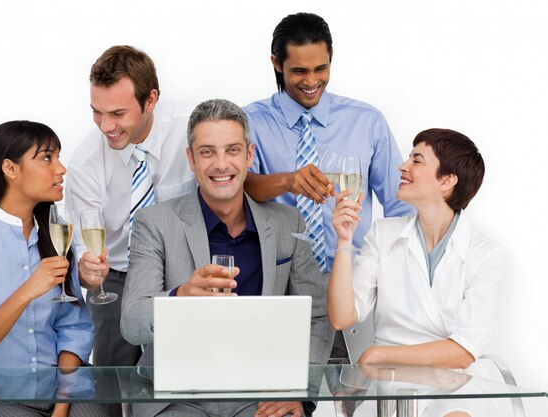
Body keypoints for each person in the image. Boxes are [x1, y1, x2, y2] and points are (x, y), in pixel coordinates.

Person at [120, 99, 334, 417]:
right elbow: (132, 322)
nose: (221, 164)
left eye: (232, 150)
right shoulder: (155, 223)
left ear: (249, 155)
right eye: (207, 152)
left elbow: (318, 315)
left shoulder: (288, 223)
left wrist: (296, 391)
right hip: (177, 397)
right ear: (191, 159)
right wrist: (180, 297)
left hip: (261, 395)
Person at [243, 12, 414, 360]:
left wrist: (394, 276)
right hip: (280, 283)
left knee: (356, 392)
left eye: (320, 69)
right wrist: (288, 181)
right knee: (285, 394)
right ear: (277, 64)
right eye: (299, 72)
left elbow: (401, 205)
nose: (311, 81)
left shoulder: (366, 121)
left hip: (353, 281)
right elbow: (239, 192)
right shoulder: (250, 122)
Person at [0, 120, 106, 417]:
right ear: (10, 169)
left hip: (62, 388)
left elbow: (72, 329)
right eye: (47, 158)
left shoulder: (56, 233)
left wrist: (62, 408)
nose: (61, 169)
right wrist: (28, 290)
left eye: (59, 157)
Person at [329, 128, 503, 416]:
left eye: (417, 160)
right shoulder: (383, 234)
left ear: (446, 180)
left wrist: (378, 355)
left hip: (452, 384)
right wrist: (344, 241)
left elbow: (462, 353)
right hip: (387, 382)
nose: (402, 166)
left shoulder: (485, 254)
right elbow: (341, 317)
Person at [66, 45, 196, 373]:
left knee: (181, 374)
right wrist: (87, 271)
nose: (105, 125)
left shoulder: (192, 129)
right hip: (117, 280)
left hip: (184, 270)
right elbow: (84, 251)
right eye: (97, 111)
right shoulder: (85, 165)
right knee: (110, 379)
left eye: (117, 113)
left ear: (150, 100)